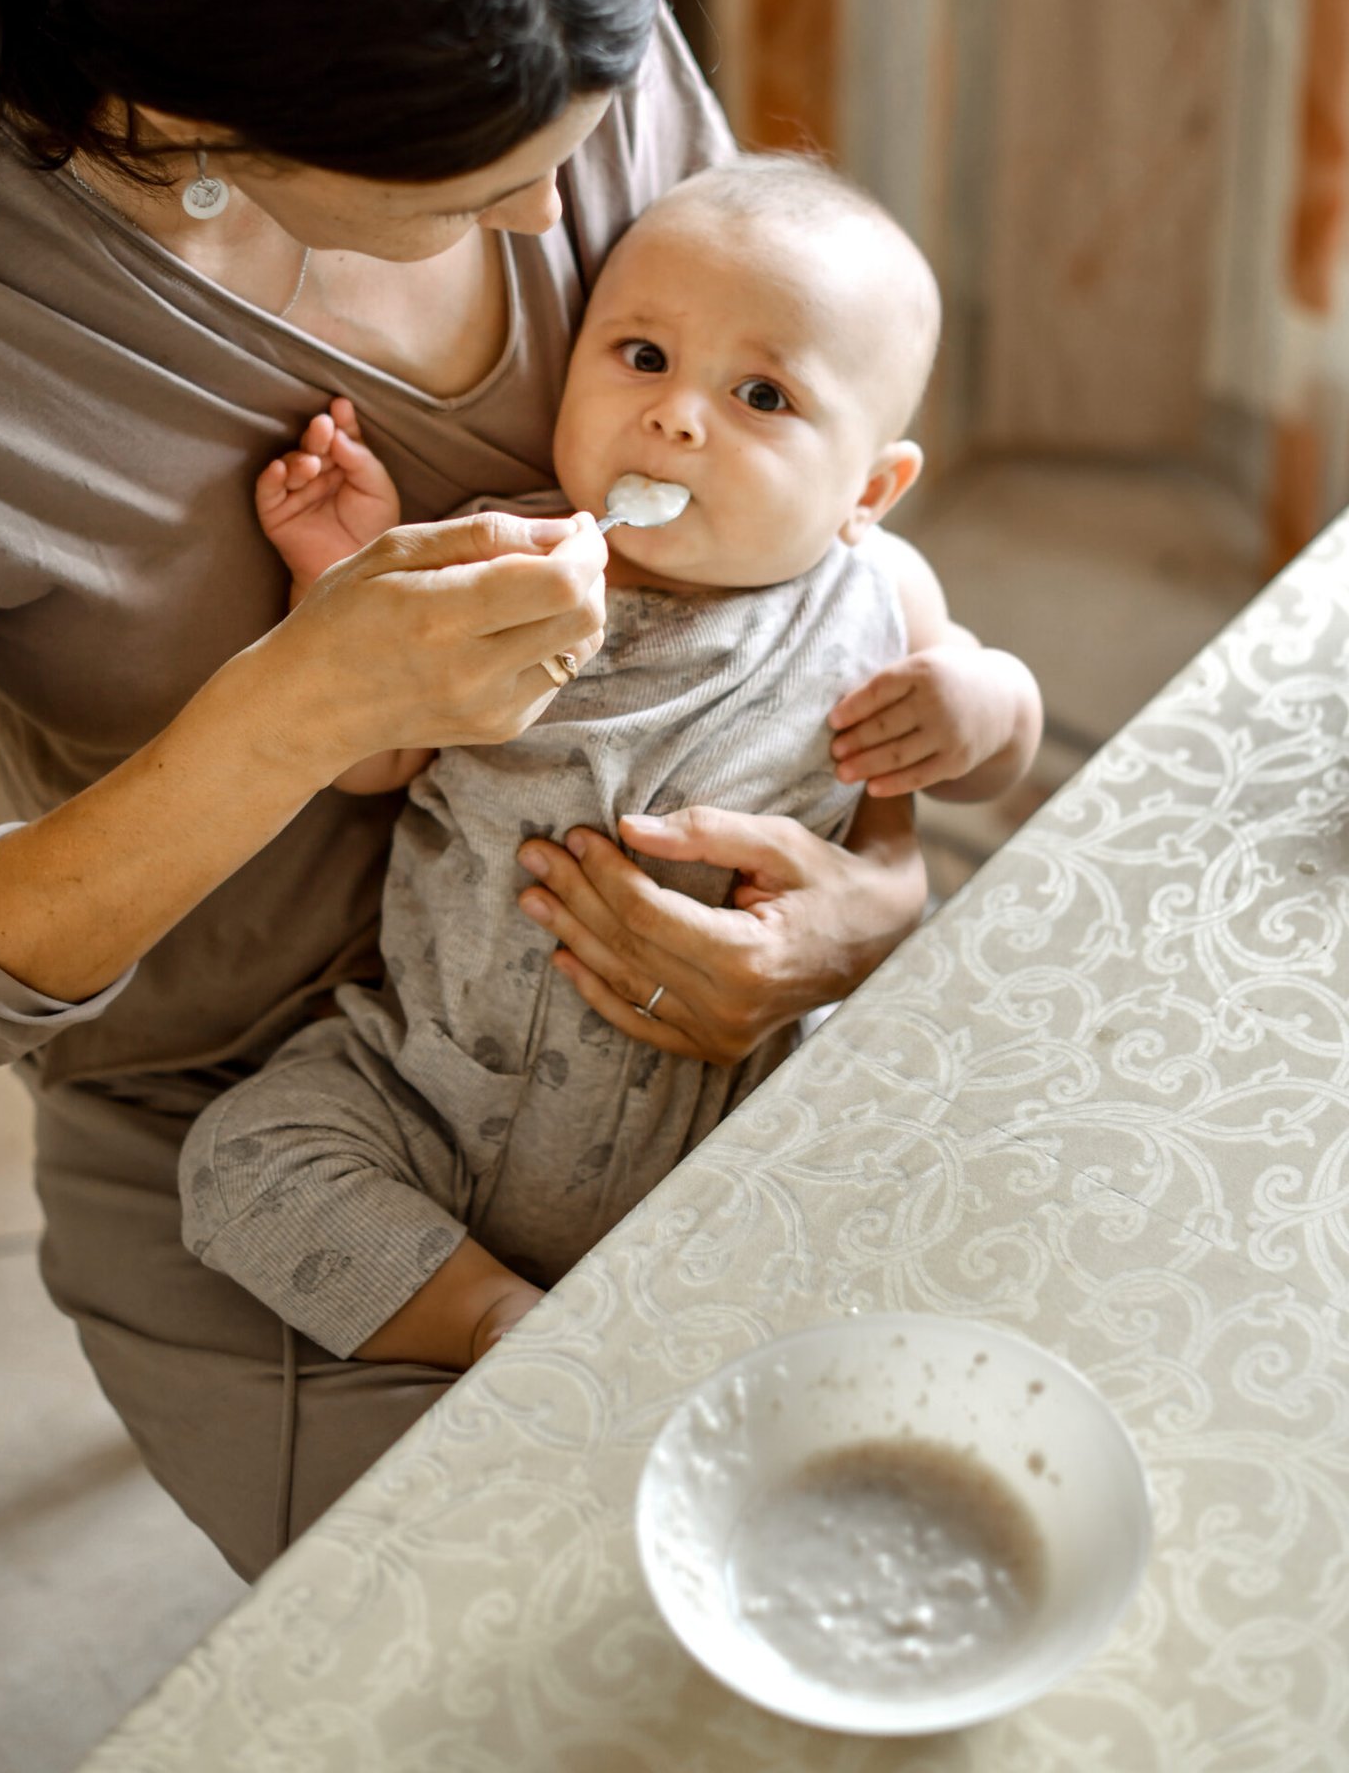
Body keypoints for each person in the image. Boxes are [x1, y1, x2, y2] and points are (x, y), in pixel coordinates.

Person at [0, 0, 928, 1581]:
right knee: (574, 1625)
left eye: (587, 144)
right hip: (260, 1089)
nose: (574, 217)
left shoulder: (545, 33)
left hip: (684, 964)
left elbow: (810, 529)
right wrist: (293, 710)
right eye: (498, 193)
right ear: (223, 137)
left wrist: (873, 901)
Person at [179, 160, 1044, 1369]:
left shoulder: (879, 599)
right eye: (641, 358)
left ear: (868, 489)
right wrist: (341, 578)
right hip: (435, 1093)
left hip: (738, 1106)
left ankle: (730, 1327)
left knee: (931, 1169)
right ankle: (489, 1320)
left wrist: (983, 704)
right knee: (239, 1164)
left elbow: (993, 759)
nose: (677, 416)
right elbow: (371, 763)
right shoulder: (498, 564)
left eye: (759, 394)